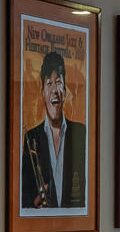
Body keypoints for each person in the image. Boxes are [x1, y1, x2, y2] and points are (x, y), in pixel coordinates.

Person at [19, 47, 87, 209]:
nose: (54, 90)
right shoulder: (31, 137)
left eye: (59, 83)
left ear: (65, 91)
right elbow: (23, 199)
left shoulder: (81, 133)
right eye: (49, 83)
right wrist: (35, 204)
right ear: (42, 92)